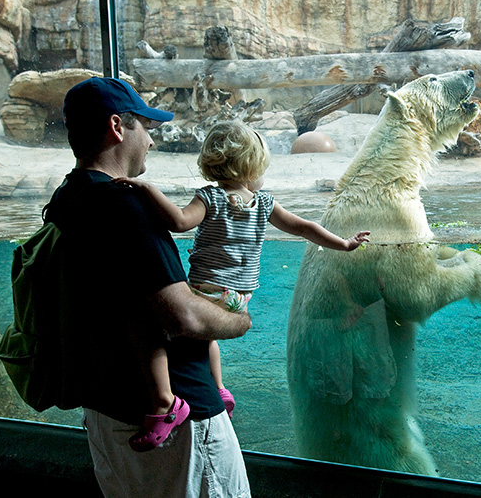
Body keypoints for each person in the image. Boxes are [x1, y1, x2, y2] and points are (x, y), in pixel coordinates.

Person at [49, 76, 252, 497]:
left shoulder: (67, 198)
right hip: (179, 426)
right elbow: (184, 317)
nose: (151, 143)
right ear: (117, 127)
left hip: (107, 410)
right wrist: (238, 319)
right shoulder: (125, 205)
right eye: (146, 128)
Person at [118, 120, 370, 421]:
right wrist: (343, 243)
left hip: (206, 290)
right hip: (238, 297)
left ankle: (164, 401)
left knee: (152, 329)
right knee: (206, 337)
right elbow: (304, 227)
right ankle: (220, 388)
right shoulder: (263, 203)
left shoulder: (210, 197)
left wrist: (149, 190)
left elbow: (180, 222)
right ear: (251, 168)